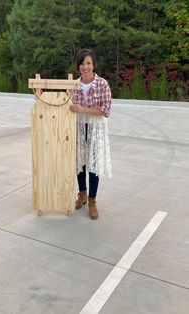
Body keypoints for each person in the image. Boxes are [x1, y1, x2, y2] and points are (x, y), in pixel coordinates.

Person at [70, 49, 112, 220]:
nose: (85, 67)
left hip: (96, 128)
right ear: (78, 66)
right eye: (82, 63)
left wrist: (83, 109)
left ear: (93, 64)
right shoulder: (73, 84)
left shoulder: (102, 84)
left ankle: (93, 200)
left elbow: (106, 110)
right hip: (78, 126)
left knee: (93, 164)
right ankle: (82, 194)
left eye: (88, 63)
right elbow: (66, 104)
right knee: (80, 162)